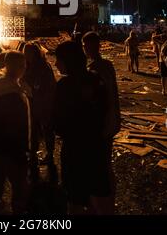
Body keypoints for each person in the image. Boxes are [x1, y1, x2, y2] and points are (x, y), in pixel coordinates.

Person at [53, 40, 108, 215]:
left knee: (75, 199)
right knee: (95, 196)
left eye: (58, 59)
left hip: (75, 150)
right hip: (97, 147)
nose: (55, 63)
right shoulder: (96, 79)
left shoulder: (64, 86)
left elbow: (59, 123)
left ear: (68, 60)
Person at [0, 51, 31, 214]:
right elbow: (18, 128)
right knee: (19, 189)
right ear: (18, 67)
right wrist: (23, 151)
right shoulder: (14, 95)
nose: (25, 68)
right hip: (11, 150)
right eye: (23, 65)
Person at [82, 31, 121, 215]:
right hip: (110, 121)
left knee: (101, 164)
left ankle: (104, 204)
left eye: (86, 46)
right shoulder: (108, 65)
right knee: (106, 162)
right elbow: (114, 96)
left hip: (103, 124)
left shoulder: (95, 69)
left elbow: (102, 100)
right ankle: (108, 198)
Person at [23, 42, 56, 171]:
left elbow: (45, 86)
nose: (25, 55)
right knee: (33, 129)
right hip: (32, 102)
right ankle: (33, 154)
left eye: (28, 52)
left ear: (34, 53)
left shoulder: (43, 67)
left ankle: (50, 154)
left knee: (46, 128)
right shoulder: (28, 65)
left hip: (43, 103)